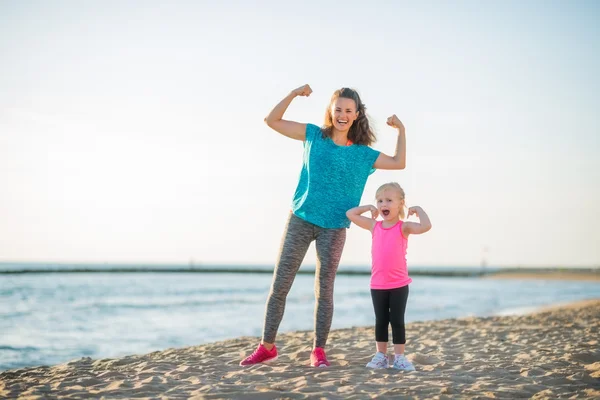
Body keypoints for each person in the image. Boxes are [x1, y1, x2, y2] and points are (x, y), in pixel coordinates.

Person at [240, 84, 407, 367]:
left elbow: (399, 162)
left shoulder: (363, 154)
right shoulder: (313, 135)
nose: (343, 114)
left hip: (334, 226)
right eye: (338, 109)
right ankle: (267, 346)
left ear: (356, 115)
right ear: (331, 111)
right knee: (280, 284)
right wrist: (293, 95)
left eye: (348, 111)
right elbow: (272, 121)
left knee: (324, 289)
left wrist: (401, 131)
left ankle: (318, 350)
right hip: (301, 218)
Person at [346, 182, 431, 371]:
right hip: (377, 284)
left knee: (397, 320)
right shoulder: (373, 226)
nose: (383, 204)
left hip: (399, 284)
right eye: (379, 201)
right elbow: (350, 214)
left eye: (389, 200)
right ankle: (381, 356)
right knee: (381, 320)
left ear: (401, 203)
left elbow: (426, 226)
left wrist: (419, 210)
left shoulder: (403, 227)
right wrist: (366, 208)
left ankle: (399, 357)